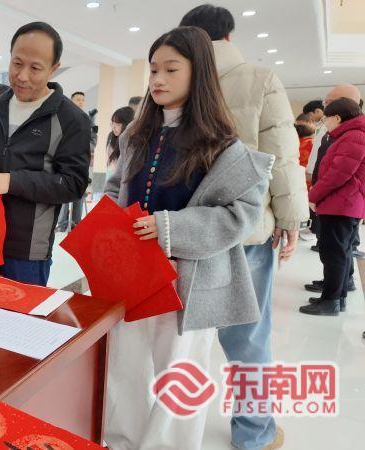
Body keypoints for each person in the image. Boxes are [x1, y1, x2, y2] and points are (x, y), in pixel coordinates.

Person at [102, 26, 271, 450]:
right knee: (124, 366)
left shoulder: (222, 145)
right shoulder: (137, 134)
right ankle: (121, 441)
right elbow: (115, 187)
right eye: (153, 70)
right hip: (134, 274)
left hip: (188, 282)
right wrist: (111, 222)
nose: (157, 79)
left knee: (177, 376)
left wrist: (169, 228)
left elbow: (242, 214)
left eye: (171, 69)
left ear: (199, 73)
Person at [181, 5, 311, 449]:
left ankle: (172, 424)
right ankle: (253, 433)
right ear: (229, 37)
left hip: (186, 229)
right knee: (248, 338)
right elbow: (282, 155)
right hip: (245, 230)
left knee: (177, 334)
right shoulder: (259, 78)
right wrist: (291, 220)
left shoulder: (178, 78)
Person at [0, 22, 91, 286]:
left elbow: (74, 184)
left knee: (20, 312)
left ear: (54, 68)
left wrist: (12, 181)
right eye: (17, 63)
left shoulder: (71, 119)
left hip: (28, 252)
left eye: (35, 68)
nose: (22, 76)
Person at [302, 98, 365, 315]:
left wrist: (313, 195)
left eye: (326, 119)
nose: (324, 123)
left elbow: (338, 174)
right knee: (340, 253)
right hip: (344, 204)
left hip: (341, 205)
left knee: (334, 255)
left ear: (337, 118)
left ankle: (330, 302)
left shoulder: (353, 136)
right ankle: (337, 298)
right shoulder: (352, 135)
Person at [57, 90, 96, 232]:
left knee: (79, 192)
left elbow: (93, 140)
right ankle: (62, 223)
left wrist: (82, 149)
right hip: (64, 162)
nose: (80, 102)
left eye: (82, 100)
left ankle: (75, 223)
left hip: (81, 162)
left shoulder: (90, 120)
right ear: (71, 100)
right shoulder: (64, 117)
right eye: (78, 99)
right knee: (62, 191)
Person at [105, 106, 135, 177]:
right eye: (112, 123)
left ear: (127, 125)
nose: (113, 127)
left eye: (118, 124)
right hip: (111, 178)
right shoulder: (111, 139)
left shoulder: (133, 143)